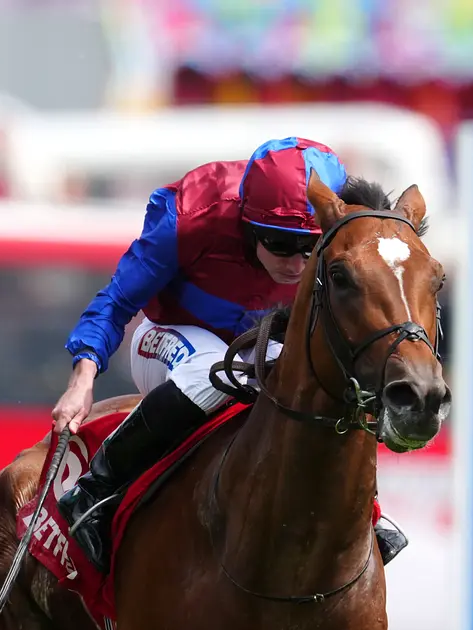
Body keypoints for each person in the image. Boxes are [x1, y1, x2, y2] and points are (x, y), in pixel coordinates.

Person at [52, 137, 408, 574]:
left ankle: (365, 510)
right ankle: (94, 491)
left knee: (319, 372)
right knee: (215, 371)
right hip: (168, 335)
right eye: (279, 244)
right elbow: (118, 300)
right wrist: (82, 379)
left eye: (309, 246)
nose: (296, 264)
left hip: (256, 345)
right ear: (248, 224)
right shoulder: (191, 215)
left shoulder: (342, 223)